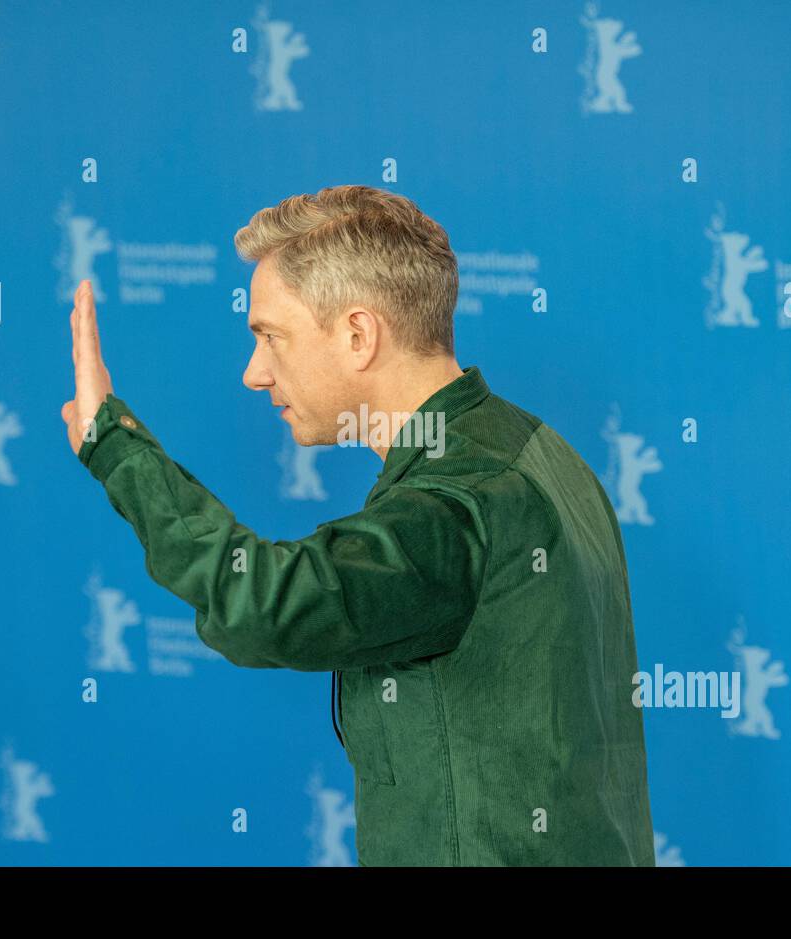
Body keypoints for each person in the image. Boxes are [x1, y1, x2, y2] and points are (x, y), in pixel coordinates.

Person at [61, 185, 655, 866]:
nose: (254, 373)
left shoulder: (463, 500)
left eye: (269, 336)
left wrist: (113, 446)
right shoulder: (534, 450)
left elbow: (260, 603)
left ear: (358, 334)